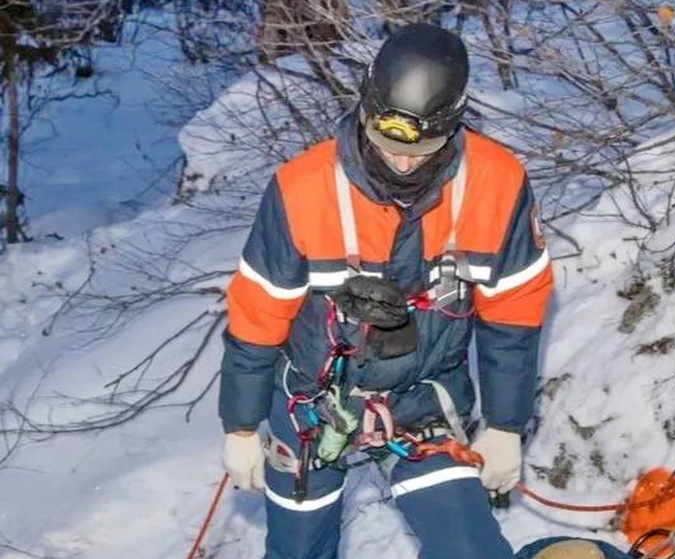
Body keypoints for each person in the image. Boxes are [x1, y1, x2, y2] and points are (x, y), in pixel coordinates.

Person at [219, 23, 553, 559]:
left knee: (470, 551)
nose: (402, 162)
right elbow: (257, 315)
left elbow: (513, 316)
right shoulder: (302, 188)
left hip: (423, 398)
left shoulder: (497, 183)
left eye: (421, 149)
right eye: (388, 143)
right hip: (312, 399)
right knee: (298, 551)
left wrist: (505, 425)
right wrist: (238, 425)